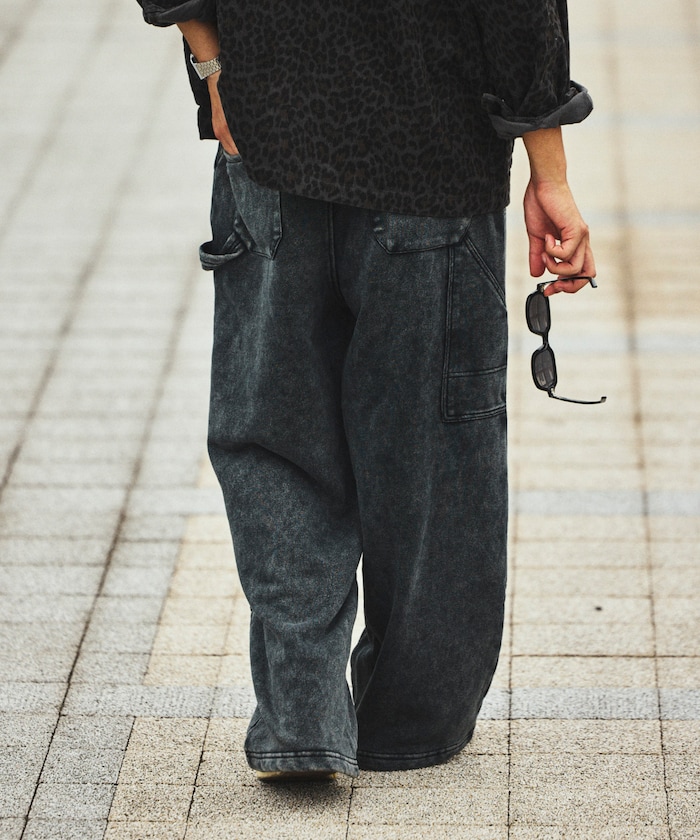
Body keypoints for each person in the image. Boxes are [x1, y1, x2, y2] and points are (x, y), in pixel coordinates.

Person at [137, 0, 596, 780]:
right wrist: (548, 169)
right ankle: (409, 720)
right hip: (432, 157)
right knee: (433, 456)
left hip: (269, 136)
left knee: (277, 443)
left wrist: (213, 64)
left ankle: (302, 716)